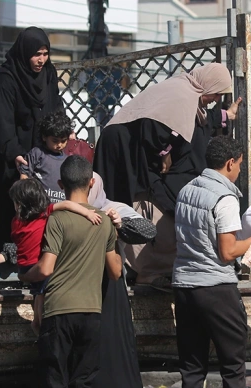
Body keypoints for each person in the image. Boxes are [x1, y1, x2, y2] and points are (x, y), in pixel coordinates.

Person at [93, 63, 240, 291]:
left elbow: (193, 122)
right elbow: (154, 131)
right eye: (217, 93)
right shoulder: (183, 96)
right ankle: (118, 266)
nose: (216, 98)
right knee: (116, 204)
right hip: (121, 148)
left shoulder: (188, 91)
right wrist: (165, 153)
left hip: (131, 147)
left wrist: (225, 115)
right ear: (207, 85)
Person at [19, 155, 123, 388]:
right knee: (85, 384)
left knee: (57, 384)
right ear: (92, 183)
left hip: (59, 311)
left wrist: (25, 274)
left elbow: (45, 268)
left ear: (60, 186)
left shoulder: (58, 220)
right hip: (91, 312)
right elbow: (116, 272)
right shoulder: (104, 220)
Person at [171, 136, 251, 388]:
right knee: (233, 366)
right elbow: (227, 251)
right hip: (216, 288)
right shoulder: (224, 197)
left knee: (192, 367)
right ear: (231, 163)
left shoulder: (186, 190)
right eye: (239, 164)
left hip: (184, 285)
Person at [85, 173, 160, 388]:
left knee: (124, 365)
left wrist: (118, 224)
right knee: (87, 372)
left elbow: (148, 232)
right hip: (82, 293)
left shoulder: (110, 208)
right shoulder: (67, 210)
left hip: (112, 295)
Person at [0, 27, 64, 251]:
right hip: (2, 153)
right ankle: (3, 257)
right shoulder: (6, 79)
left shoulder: (48, 74)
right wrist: (14, 153)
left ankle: (34, 255)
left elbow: (55, 105)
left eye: (45, 53)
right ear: (24, 53)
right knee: (6, 204)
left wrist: (63, 129)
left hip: (34, 150)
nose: (41, 60)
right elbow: (2, 121)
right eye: (36, 54)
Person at [0, 179, 102, 335]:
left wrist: (5, 256)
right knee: (41, 295)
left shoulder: (16, 221)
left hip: (24, 265)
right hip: (38, 265)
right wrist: (87, 212)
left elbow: (20, 244)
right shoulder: (44, 213)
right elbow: (67, 204)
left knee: (38, 294)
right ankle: (39, 323)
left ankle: (37, 321)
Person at [18, 111, 74, 203]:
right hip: (39, 206)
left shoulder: (67, 160)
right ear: (44, 137)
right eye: (55, 141)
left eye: (63, 141)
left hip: (60, 208)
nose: (59, 145)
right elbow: (24, 176)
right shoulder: (37, 153)